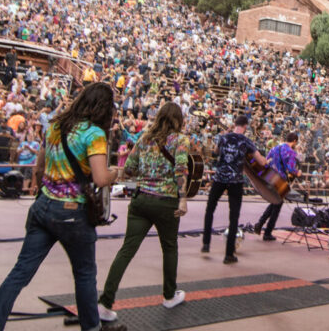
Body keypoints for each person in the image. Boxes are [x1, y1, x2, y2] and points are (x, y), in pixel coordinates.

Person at [0, 82, 126, 331]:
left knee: (18, 275)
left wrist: (50, 192)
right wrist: (120, 172)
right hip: (72, 213)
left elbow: (40, 167)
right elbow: (101, 178)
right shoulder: (95, 134)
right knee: (84, 274)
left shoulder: (56, 126)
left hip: (42, 207)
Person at [99, 102, 191, 319]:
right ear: (178, 120)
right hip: (166, 201)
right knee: (169, 248)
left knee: (126, 250)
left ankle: (105, 301)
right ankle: (169, 295)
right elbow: (180, 170)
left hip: (141, 200)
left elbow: (129, 169)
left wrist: (147, 171)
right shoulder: (181, 140)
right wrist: (183, 199)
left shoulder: (144, 138)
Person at [201, 113, 255, 264]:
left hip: (219, 177)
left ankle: (206, 243)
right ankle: (228, 254)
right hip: (235, 181)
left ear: (235, 124)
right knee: (233, 217)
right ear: (245, 127)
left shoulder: (223, 137)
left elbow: (215, 153)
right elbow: (260, 160)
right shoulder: (246, 141)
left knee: (210, 209)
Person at [256, 131, 301, 241]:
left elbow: (267, 159)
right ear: (294, 141)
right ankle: (267, 232)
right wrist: (297, 173)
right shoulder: (291, 152)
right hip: (280, 180)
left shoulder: (275, 148)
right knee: (277, 205)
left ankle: (260, 224)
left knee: (274, 202)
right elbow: (290, 169)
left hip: (270, 177)